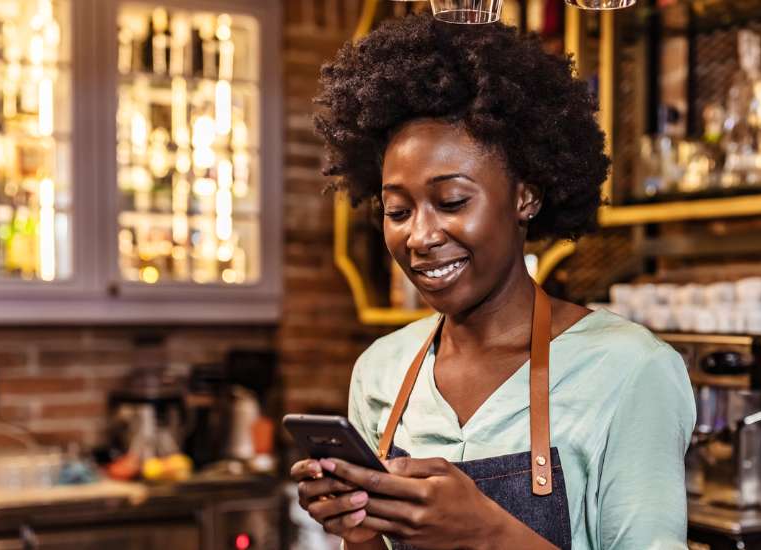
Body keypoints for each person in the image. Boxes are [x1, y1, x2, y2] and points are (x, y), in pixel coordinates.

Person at [291, 13, 695, 550]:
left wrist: (486, 533)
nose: (420, 236)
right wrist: (359, 528)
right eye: (397, 210)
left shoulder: (629, 370)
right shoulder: (380, 372)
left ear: (525, 196)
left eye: (452, 202)